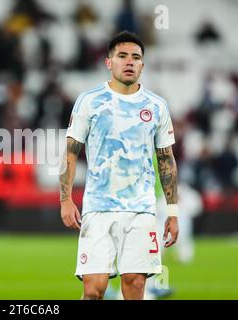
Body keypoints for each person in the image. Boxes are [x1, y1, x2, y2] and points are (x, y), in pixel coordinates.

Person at [59, 31, 179, 300]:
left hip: (142, 210)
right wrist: (65, 199)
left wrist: (172, 211)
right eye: (122, 56)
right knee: (93, 290)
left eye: (136, 57)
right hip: (97, 209)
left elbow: (166, 160)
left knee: (135, 285)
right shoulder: (89, 101)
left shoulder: (157, 106)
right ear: (109, 62)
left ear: (142, 66)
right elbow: (70, 152)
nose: (129, 61)